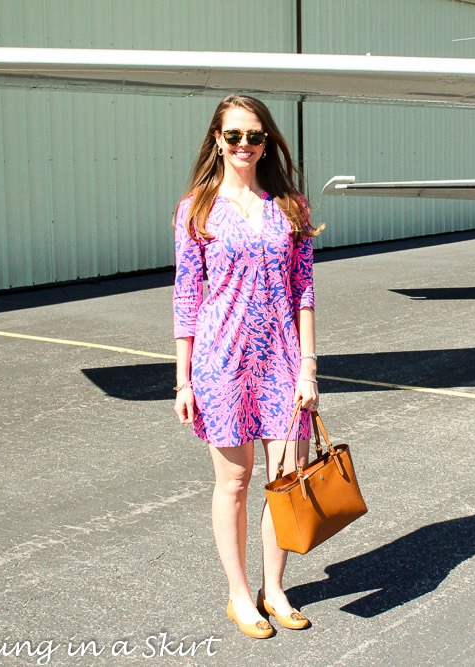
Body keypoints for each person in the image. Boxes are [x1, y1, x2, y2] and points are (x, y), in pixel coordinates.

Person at [171, 95, 323, 639]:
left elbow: (303, 289)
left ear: (267, 143)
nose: (244, 145)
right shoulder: (196, 209)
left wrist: (308, 365)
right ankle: (240, 594)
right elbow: (186, 299)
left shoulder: (291, 206)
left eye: (254, 137)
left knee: (285, 480)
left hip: (282, 361)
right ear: (217, 139)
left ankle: (274, 588)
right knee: (233, 483)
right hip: (222, 363)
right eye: (233, 135)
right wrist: (184, 378)